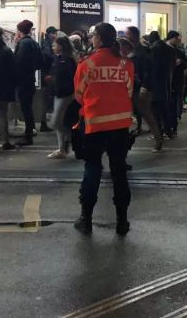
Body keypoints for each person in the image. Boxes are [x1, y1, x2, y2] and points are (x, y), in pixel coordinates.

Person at [73, 23, 135, 236]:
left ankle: (86, 218)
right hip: (120, 125)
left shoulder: (87, 64)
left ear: (98, 38)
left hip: (95, 124)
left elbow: (78, 95)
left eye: (92, 36)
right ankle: (122, 221)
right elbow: (129, 91)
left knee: (93, 169)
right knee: (118, 171)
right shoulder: (125, 64)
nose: (91, 39)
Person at [45, 36, 77, 158]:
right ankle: (62, 148)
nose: (53, 47)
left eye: (55, 45)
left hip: (65, 94)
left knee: (56, 122)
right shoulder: (58, 59)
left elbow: (71, 77)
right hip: (58, 93)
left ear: (61, 46)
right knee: (60, 122)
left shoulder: (67, 60)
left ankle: (70, 138)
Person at [14, 20, 42, 146]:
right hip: (31, 79)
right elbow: (40, 62)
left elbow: (18, 63)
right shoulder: (34, 44)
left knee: (26, 109)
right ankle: (29, 133)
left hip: (22, 81)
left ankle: (28, 135)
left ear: (20, 32)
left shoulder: (22, 44)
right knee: (28, 108)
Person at [147, 30, 175, 141]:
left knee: (155, 110)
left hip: (155, 83)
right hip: (165, 81)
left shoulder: (154, 49)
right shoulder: (168, 49)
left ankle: (158, 133)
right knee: (164, 109)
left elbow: (153, 67)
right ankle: (169, 131)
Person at [166, 31, 186, 138]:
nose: (179, 41)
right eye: (177, 39)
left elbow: (185, 64)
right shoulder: (163, 50)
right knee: (166, 107)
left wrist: (181, 62)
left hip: (176, 83)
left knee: (173, 106)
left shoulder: (179, 52)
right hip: (166, 83)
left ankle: (172, 128)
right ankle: (166, 129)